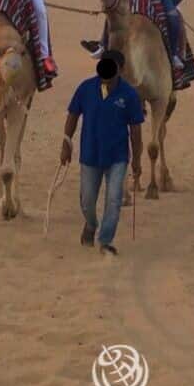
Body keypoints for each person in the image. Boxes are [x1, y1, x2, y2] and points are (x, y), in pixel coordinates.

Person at [60, 48, 144, 255]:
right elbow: (73, 115)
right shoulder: (86, 88)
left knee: (114, 199)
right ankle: (90, 225)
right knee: (87, 200)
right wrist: (66, 144)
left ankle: (105, 241)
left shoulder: (130, 95)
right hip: (90, 154)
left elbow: (135, 130)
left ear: (121, 69)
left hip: (118, 157)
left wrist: (137, 161)